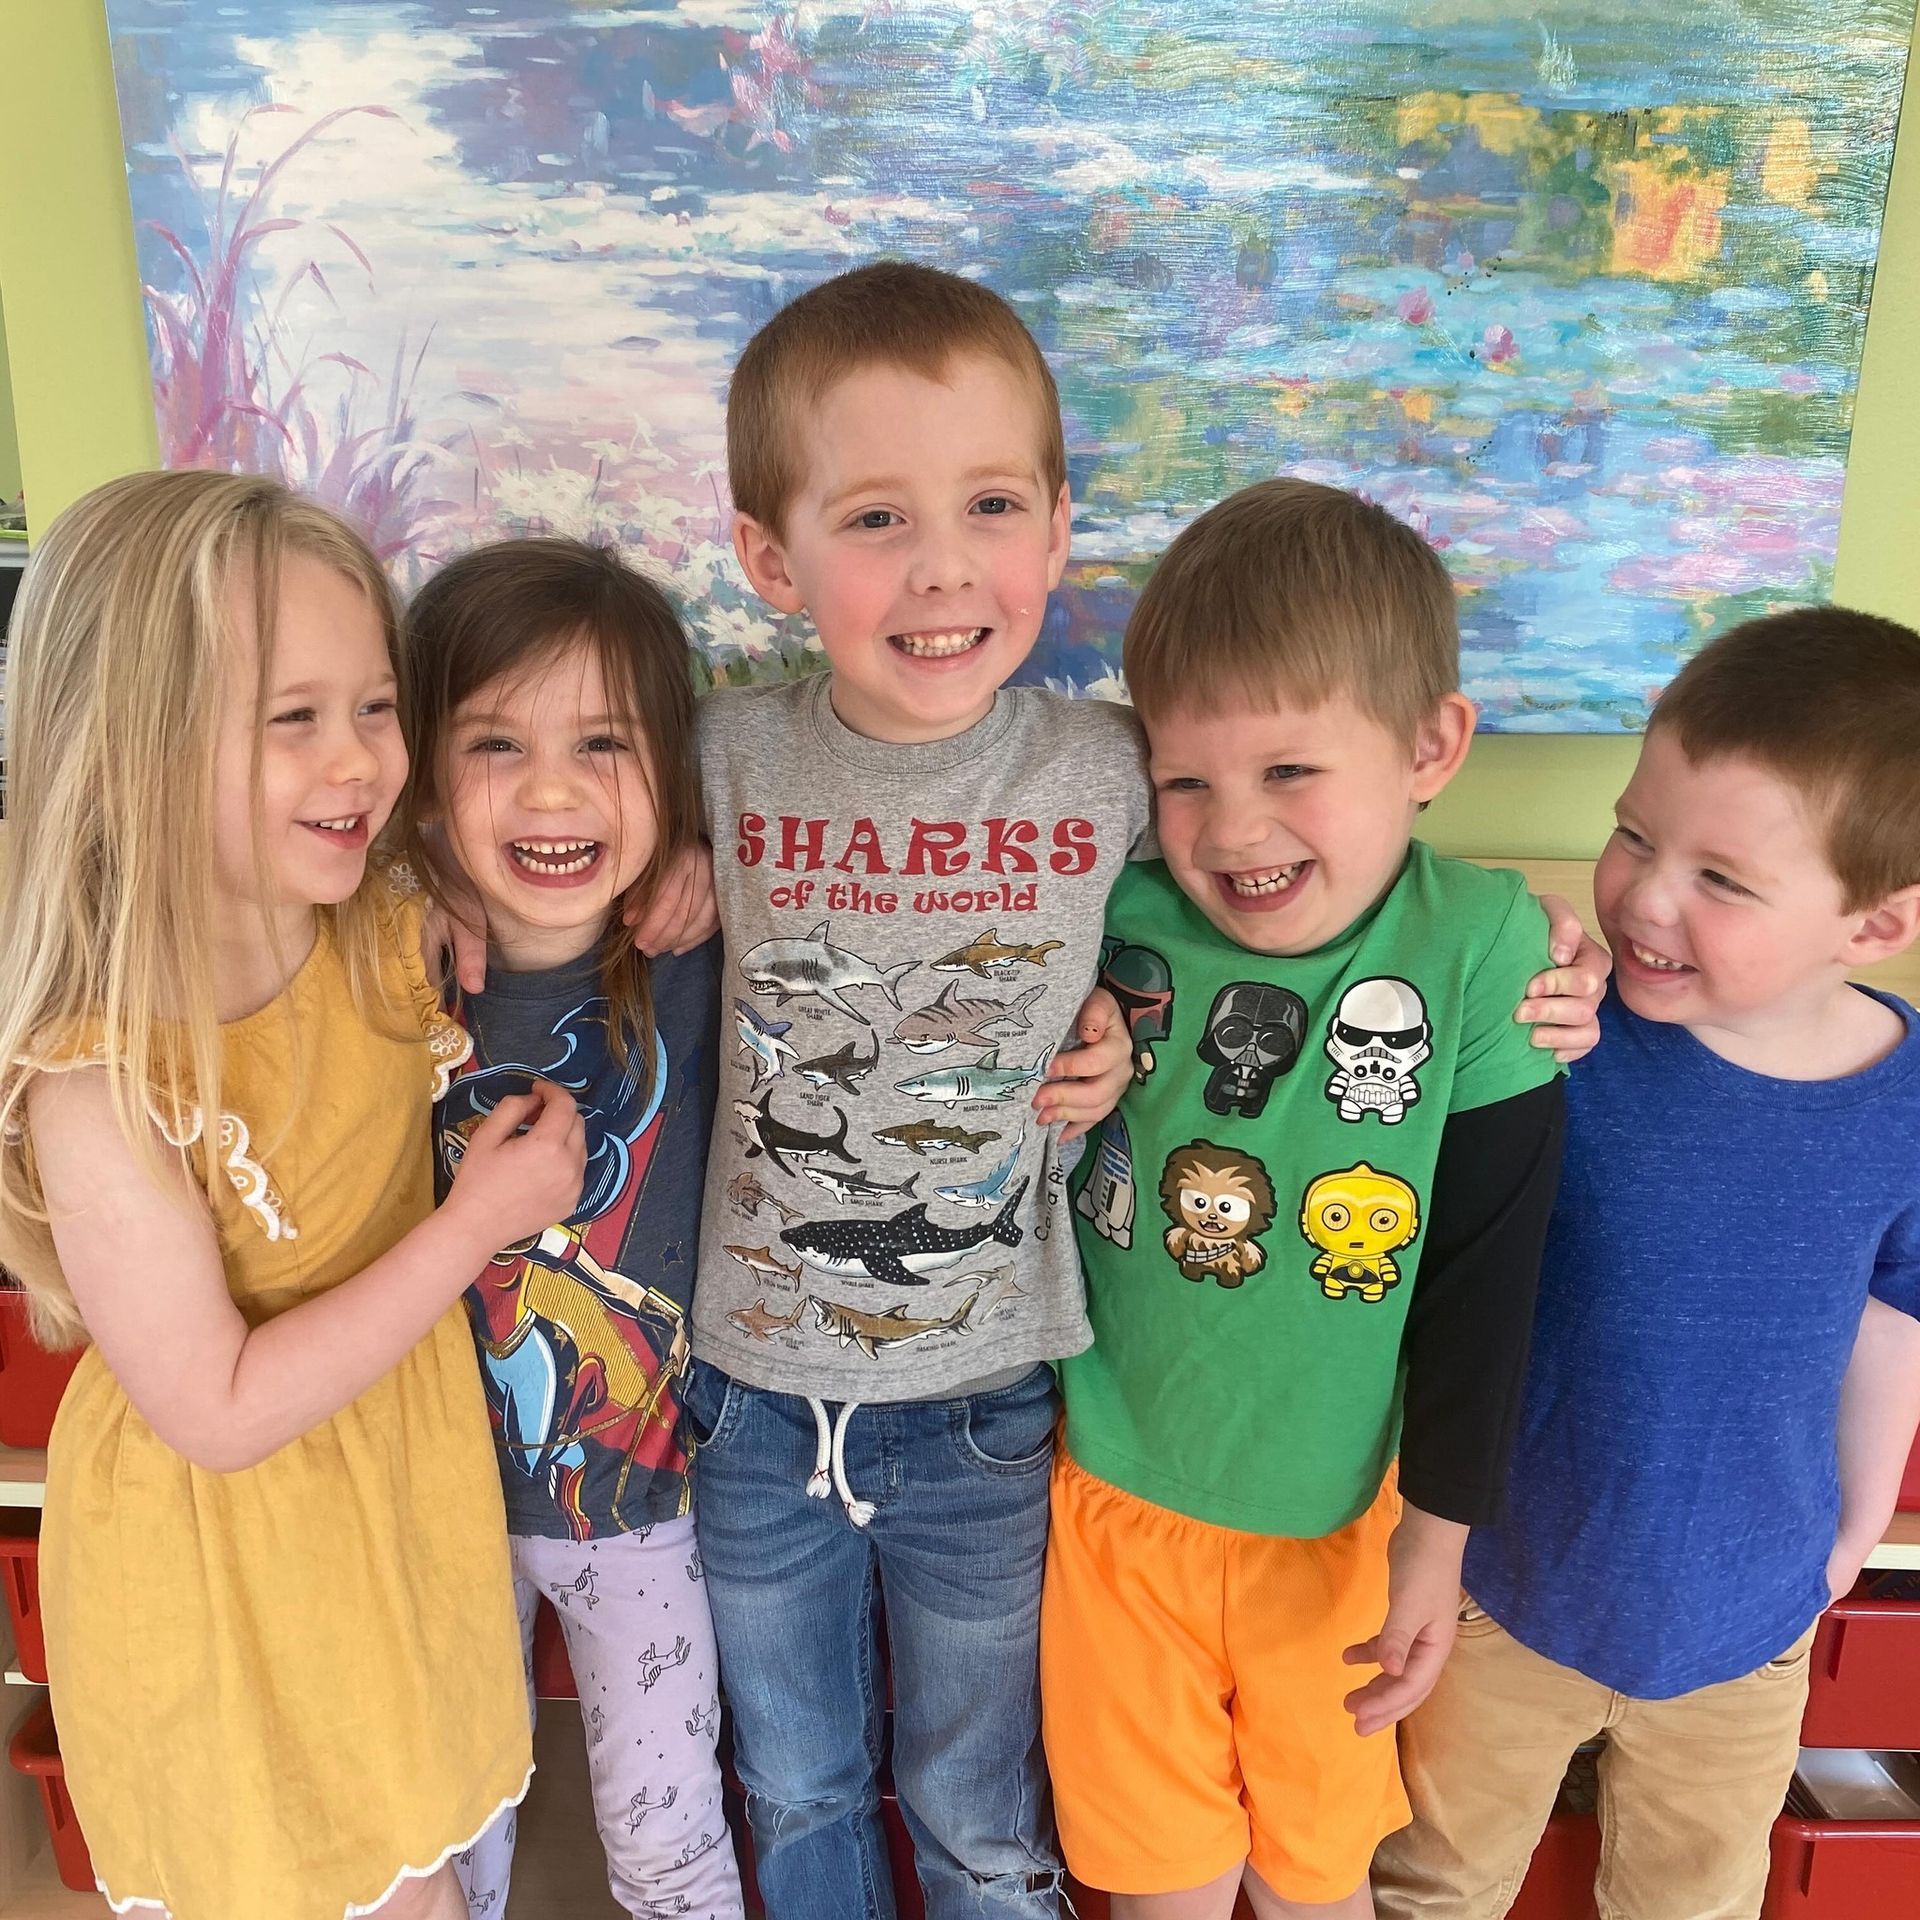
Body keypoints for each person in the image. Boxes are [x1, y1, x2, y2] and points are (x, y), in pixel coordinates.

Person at [0, 471, 584, 1920]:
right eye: (292, 719)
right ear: (132, 747)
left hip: (384, 1491)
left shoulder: (374, 917)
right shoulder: (104, 1075)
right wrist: (470, 1232)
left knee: (419, 1871)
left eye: (374, 708)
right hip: (231, 1560)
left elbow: (571, 881)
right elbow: (220, 1407)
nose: (362, 766)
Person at [1042, 477, 1573, 1920]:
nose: (1232, 832)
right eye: (1187, 780)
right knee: (1161, 1882)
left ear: (1429, 747)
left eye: (1289, 772)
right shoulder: (1115, 906)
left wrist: (1438, 1538)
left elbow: (1487, 1270)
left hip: (1344, 1527)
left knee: (1316, 1882)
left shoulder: (1482, 945)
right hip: (1109, 1501)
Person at [684, 259, 1143, 1920]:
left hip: (983, 1405)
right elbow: (544, 847)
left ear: (1057, 525)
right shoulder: (718, 760)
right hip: (740, 1400)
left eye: (992, 504)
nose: (945, 568)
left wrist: (1130, 1035)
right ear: (769, 557)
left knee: (979, 1806)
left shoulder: (1108, 770)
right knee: (793, 1788)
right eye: (874, 517)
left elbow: (1276, 909)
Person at [1372, 608, 1920, 1920]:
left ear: (1875, 922)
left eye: (1721, 880)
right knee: (1433, 1884)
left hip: (1750, 1621)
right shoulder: (1564, 1033)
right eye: (1633, 834)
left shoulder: (1903, 1095)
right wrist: (1513, 971)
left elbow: (1893, 1316)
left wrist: (1852, 1525)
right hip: (1506, 1594)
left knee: (1696, 1901)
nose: (1646, 894)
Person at [402, 537, 743, 1919]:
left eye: (604, 741)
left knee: (671, 1846)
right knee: (450, 1836)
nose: (552, 789)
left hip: (646, 1519)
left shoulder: (700, 954)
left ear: (673, 768)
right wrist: (396, 890)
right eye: (496, 742)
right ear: (425, 777)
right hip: (432, 1518)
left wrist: (712, 854)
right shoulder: (385, 973)